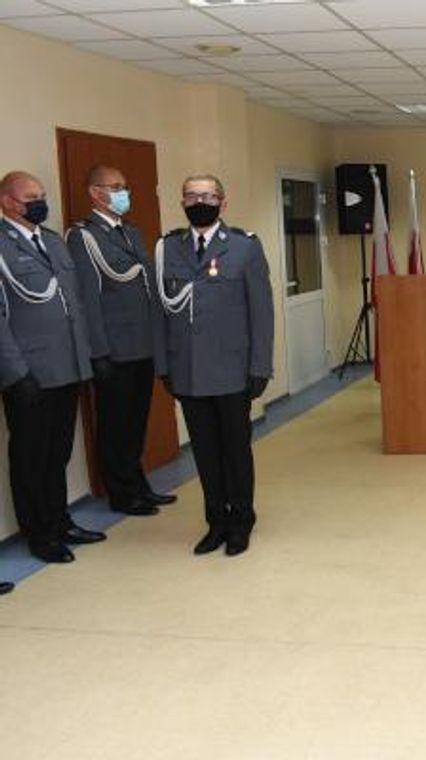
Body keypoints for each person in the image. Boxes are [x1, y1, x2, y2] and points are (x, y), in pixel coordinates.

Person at [155, 174, 273, 556]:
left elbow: (262, 313)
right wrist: (164, 365)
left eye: (207, 196)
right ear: (183, 203)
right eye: (191, 196)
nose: (198, 201)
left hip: (233, 370)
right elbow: (159, 312)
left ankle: (241, 519)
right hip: (187, 371)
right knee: (204, 452)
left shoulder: (244, 247)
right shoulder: (167, 249)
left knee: (236, 450)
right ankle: (215, 522)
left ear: (223, 203)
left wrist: (260, 367)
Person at [0, 171, 104, 564]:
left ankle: (60, 521)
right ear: (8, 202)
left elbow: (71, 306)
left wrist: (85, 360)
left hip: (66, 369)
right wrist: (15, 373)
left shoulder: (52, 242)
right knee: (30, 456)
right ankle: (39, 534)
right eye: (32, 197)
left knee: (58, 452)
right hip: (28, 374)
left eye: (42, 195)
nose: (40, 202)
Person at [66, 165, 174, 518]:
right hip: (114, 349)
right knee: (115, 426)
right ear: (95, 193)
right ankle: (121, 493)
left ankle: (138, 483)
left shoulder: (131, 232)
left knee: (136, 420)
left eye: (124, 186)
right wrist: (99, 352)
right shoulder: (83, 237)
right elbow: (88, 299)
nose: (123, 193)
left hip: (141, 345)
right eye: (115, 187)